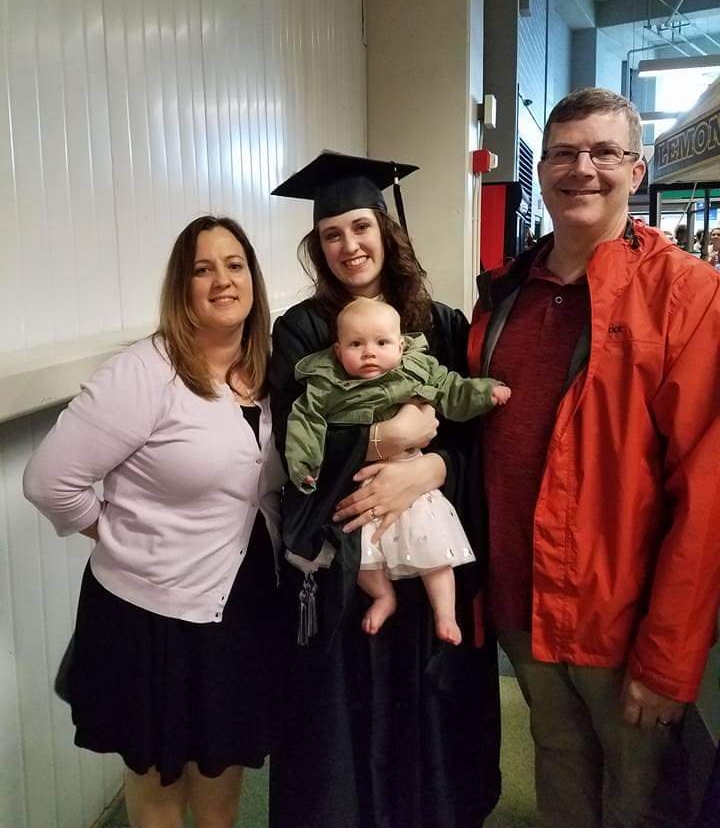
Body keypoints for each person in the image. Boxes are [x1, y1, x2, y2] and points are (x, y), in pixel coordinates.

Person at [468, 87, 720, 828]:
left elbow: (707, 495)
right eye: (564, 153)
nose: (582, 169)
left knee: (639, 797)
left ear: (636, 171)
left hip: (622, 617)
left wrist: (669, 655)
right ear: (542, 170)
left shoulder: (687, 296)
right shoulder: (506, 294)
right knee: (559, 766)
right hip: (523, 601)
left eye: (605, 152)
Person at [23, 216, 284, 828]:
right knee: (159, 786)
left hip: (240, 605)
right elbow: (49, 481)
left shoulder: (270, 371)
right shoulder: (145, 371)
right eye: (203, 269)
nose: (223, 280)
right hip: (151, 616)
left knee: (221, 782)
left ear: (253, 278)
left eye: (235, 265)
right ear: (181, 287)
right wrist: (115, 533)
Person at [268, 152, 502, 828]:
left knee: (428, 721)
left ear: (385, 230)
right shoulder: (302, 331)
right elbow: (292, 439)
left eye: (361, 226)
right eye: (331, 234)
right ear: (319, 247)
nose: (349, 245)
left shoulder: (443, 323)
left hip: (428, 558)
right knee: (346, 735)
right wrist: (384, 439)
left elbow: (474, 437)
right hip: (349, 563)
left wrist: (432, 469)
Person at [285, 297, 510, 643]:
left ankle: (446, 614)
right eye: (356, 344)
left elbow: (453, 389)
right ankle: (383, 596)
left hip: (413, 475)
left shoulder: (417, 368)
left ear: (401, 345)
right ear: (337, 350)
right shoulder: (325, 383)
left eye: (381, 343)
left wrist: (485, 393)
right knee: (357, 550)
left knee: (434, 548)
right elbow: (305, 423)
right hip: (359, 485)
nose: (369, 353)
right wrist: (304, 465)